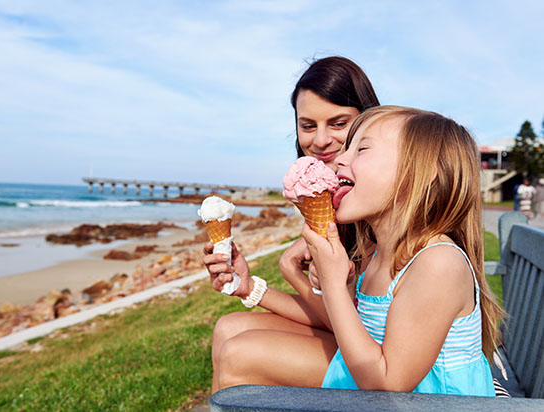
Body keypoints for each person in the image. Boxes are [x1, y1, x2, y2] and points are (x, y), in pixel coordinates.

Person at [203, 56, 380, 393]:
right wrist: (248, 287)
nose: (321, 140)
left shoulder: (370, 206)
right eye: (308, 126)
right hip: (359, 337)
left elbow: (358, 328)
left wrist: (292, 271)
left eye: (338, 123)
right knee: (228, 328)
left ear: (368, 121)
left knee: (240, 354)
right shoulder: (336, 206)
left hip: (389, 364)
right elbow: (336, 318)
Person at [302, 106, 503, 395]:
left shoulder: (438, 264)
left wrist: (333, 286)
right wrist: (344, 286)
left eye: (361, 149)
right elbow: (363, 334)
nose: (340, 159)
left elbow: (388, 384)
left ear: (422, 172)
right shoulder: (376, 253)